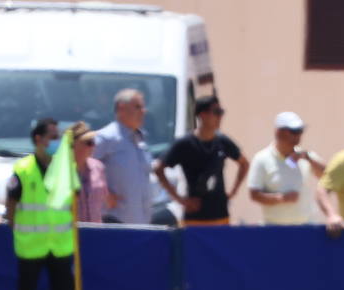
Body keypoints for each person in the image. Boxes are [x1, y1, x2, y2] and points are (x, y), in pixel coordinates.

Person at [4, 118, 77, 290]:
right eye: (53, 137)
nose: (56, 142)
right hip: (31, 245)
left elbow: (75, 198)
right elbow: (12, 203)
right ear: (39, 139)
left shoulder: (65, 168)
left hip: (60, 245)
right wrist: (16, 228)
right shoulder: (23, 168)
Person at [155, 95, 248, 227]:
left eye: (221, 113)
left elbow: (244, 164)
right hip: (194, 218)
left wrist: (233, 191)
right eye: (216, 112)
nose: (220, 117)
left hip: (220, 215)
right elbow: (158, 169)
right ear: (202, 115)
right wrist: (180, 200)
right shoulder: (185, 143)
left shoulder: (223, 141)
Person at [247, 110, 325, 226]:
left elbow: (326, 175)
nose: (298, 136)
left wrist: (308, 159)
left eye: (300, 131)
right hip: (274, 229)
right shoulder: (262, 159)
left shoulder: (305, 156)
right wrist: (281, 198)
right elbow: (254, 194)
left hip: (305, 226)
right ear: (279, 132)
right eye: (294, 132)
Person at [93, 88, 154, 224]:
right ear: (121, 108)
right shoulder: (107, 137)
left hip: (142, 221)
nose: (143, 111)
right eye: (138, 107)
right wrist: (104, 194)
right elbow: (85, 167)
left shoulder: (141, 139)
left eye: (143, 107)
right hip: (116, 221)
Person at [71, 122, 110, 223]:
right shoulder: (58, 170)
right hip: (69, 234)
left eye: (93, 142)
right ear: (73, 144)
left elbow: (105, 202)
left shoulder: (98, 167)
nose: (93, 146)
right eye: (88, 142)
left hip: (95, 233)